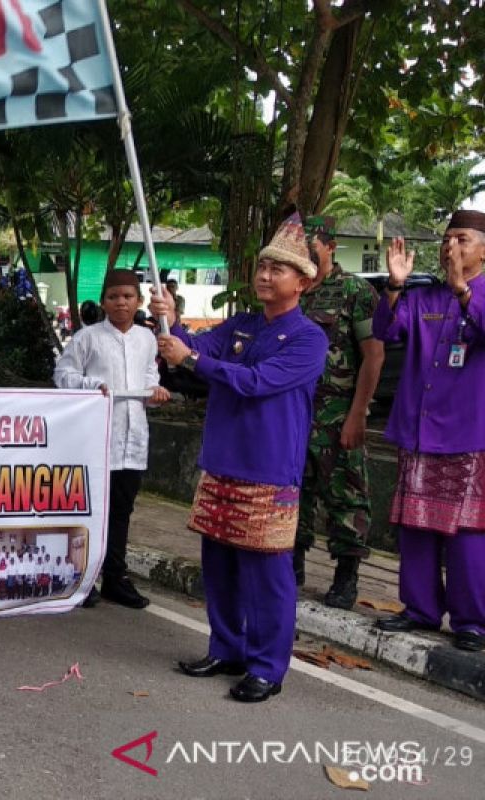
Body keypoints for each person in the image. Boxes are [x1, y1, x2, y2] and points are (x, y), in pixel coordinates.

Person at [154, 212, 327, 702]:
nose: (265, 275)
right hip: (222, 462)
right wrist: (171, 319)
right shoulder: (242, 324)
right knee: (220, 565)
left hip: (269, 470)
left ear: (302, 282)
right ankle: (226, 648)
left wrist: (191, 359)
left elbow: (254, 382)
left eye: (279, 269)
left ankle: (268, 667)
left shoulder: (309, 340)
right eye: (263, 266)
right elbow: (194, 346)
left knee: (268, 575)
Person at [372, 211, 485, 652]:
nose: (450, 247)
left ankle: (471, 621)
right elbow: (387, 329)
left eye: (461, 239)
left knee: (469, 532)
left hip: (469, 434)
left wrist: (463, 291)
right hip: (419, 431)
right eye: (446, 239)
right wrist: (395, 285)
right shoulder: (426, 296)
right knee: (415, 525)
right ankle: (419, 610)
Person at [54, 269, 171, 609]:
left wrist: (155, 392)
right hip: (96, 437)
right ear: (104, 301)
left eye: (128, 296)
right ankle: (82, 577)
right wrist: (93, 386)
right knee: (92, 509)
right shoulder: (87, 338)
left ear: (138, 301)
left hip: (133, 438)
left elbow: (150, 377)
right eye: (114, 296)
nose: (121, 302)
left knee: (122, 510)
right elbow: (63, 375)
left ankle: (115, 578)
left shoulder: (147, 339)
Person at [294, 216, 384, 608]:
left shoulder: (354, 291)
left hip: (336, 415)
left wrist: (358, 413)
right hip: (295, 414)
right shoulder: (292, 290)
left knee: (346, 496)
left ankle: (346, 576)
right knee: (292, 495)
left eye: (312, 248)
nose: (307, 257)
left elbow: (373, 355)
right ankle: (290, 564)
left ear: (330, 247)